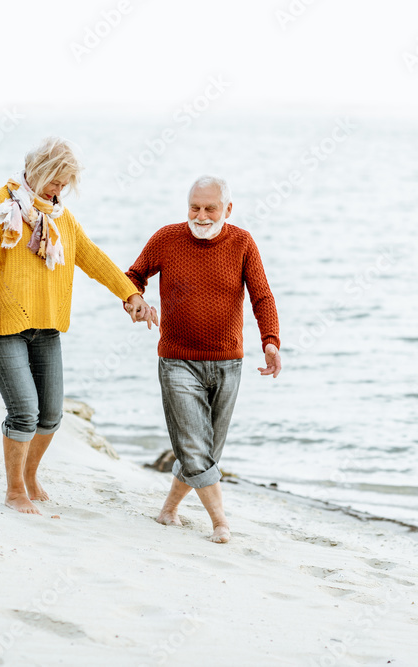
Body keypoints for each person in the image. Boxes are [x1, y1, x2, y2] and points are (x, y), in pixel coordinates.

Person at [0, 136, 155, 515]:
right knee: (24, 410)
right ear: (38, 172)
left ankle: (31, 475)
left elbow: (93, 258)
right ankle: (15, 490)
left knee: (51, 414)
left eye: (65, 183)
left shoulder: (61, 219)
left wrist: (131, 294)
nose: (59, 189)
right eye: (55, 181)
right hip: (2, 328)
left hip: (46, 326)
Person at [125, 175, 282, 543]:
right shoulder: (167, 238)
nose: (202, 215)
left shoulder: (242, 242)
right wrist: (135, 300)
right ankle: (220, 522)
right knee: (195, 446)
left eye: (210, 208)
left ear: (228, 209)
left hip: (229, 363)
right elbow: (133, 276)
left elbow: (262, 296)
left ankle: (168, 511)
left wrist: (270, 342)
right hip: (177, 360)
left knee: (205, 449)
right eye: (195, 207)